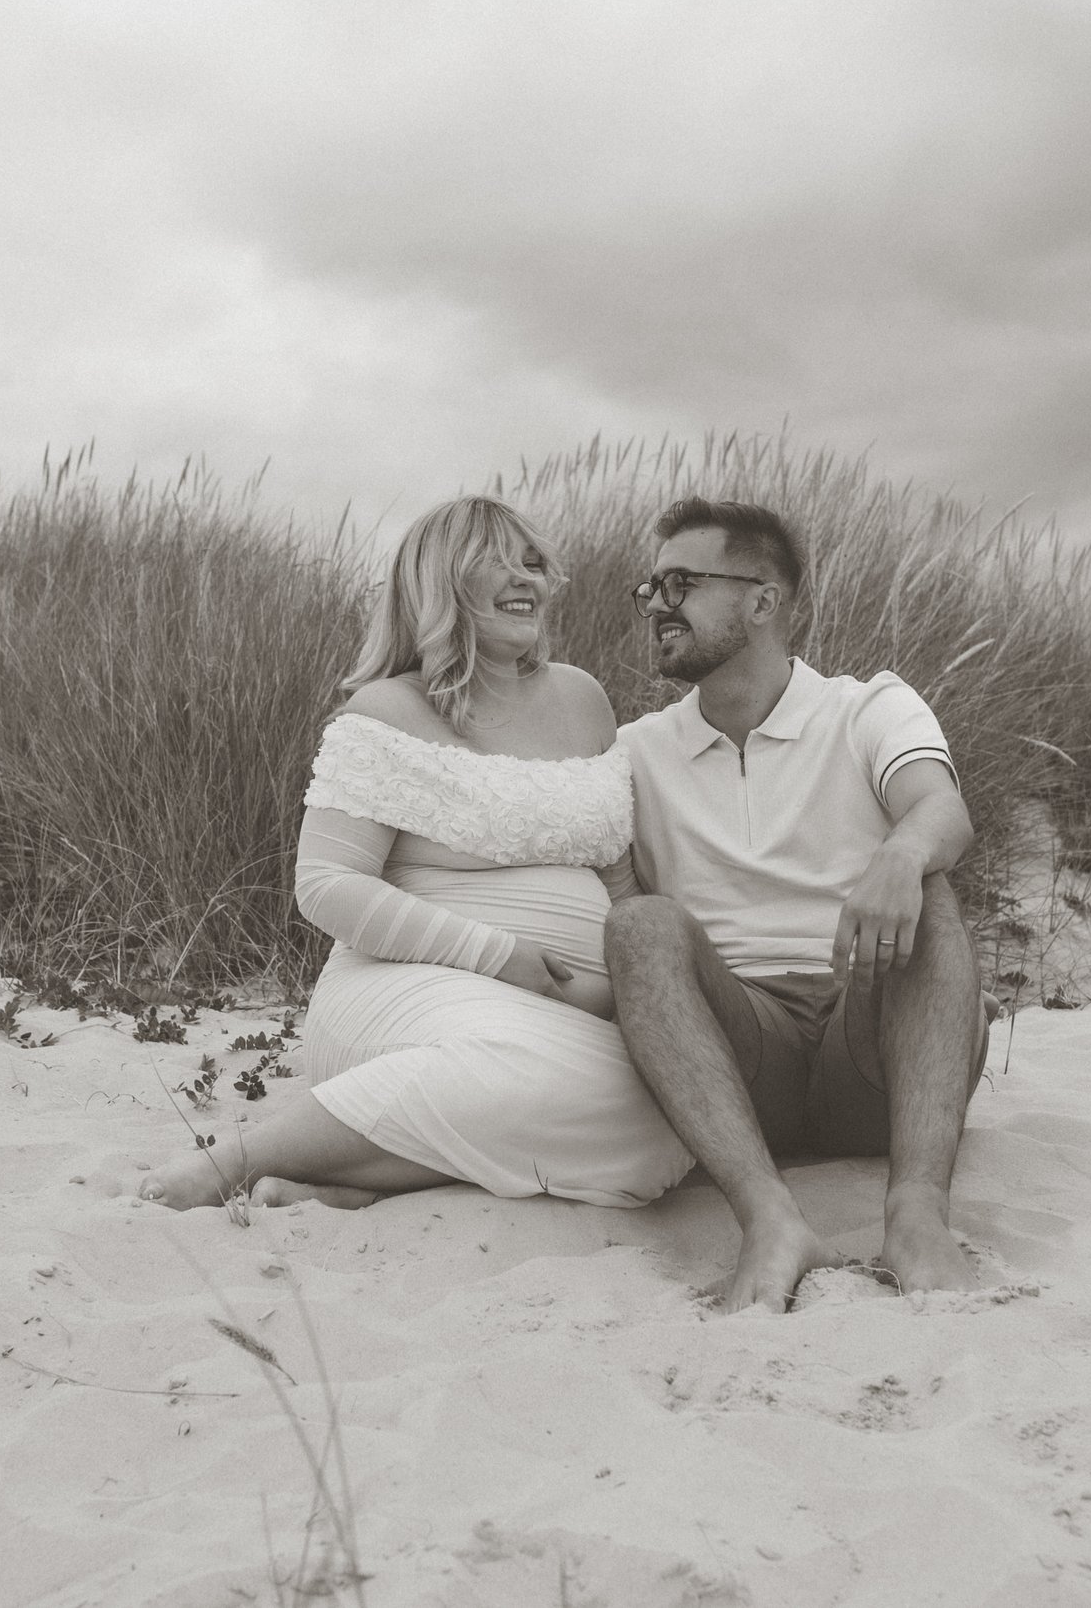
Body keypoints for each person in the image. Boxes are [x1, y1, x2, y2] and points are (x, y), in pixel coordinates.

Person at [137, 497, 693, 1212]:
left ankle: (359, 1174)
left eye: (534, 563)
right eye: (499, 562)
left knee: (661, 1122)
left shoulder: (582, 698)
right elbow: (328, 885)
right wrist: (503, 957)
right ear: (440, 583)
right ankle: (238, 1160)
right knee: (529, 1078)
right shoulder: (384, 712)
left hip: (569, 1008)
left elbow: (615, 868)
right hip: (406, 988)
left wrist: (626, 989)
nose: (528, 580)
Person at [604, 498, 989, 1314]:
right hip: (745, 1061)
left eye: (680, 582)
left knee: (930, 886)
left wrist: (900, 853)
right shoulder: (635, 751)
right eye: (650, 588)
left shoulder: (866, 706)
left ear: (763, 599)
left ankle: (916, 1214)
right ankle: (770, 1218)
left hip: (875, 1033)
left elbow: (942, 810)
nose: (657, 603)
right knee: (639, 925)